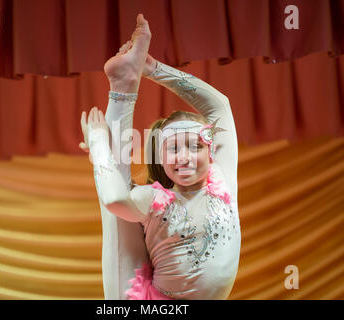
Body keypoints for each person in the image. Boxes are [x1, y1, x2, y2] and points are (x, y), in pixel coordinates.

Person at [80, 14, 240, 300]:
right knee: (116, 216)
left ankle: (129, 75)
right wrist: (99, 144)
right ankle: (122, 87)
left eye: (194, 146)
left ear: (211, 151)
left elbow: (220, 106)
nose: (184, 157)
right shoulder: (154, 201)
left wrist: (151, 67)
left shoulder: (223, 181)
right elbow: (114, 200)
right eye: (173, 149)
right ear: (162, 158)